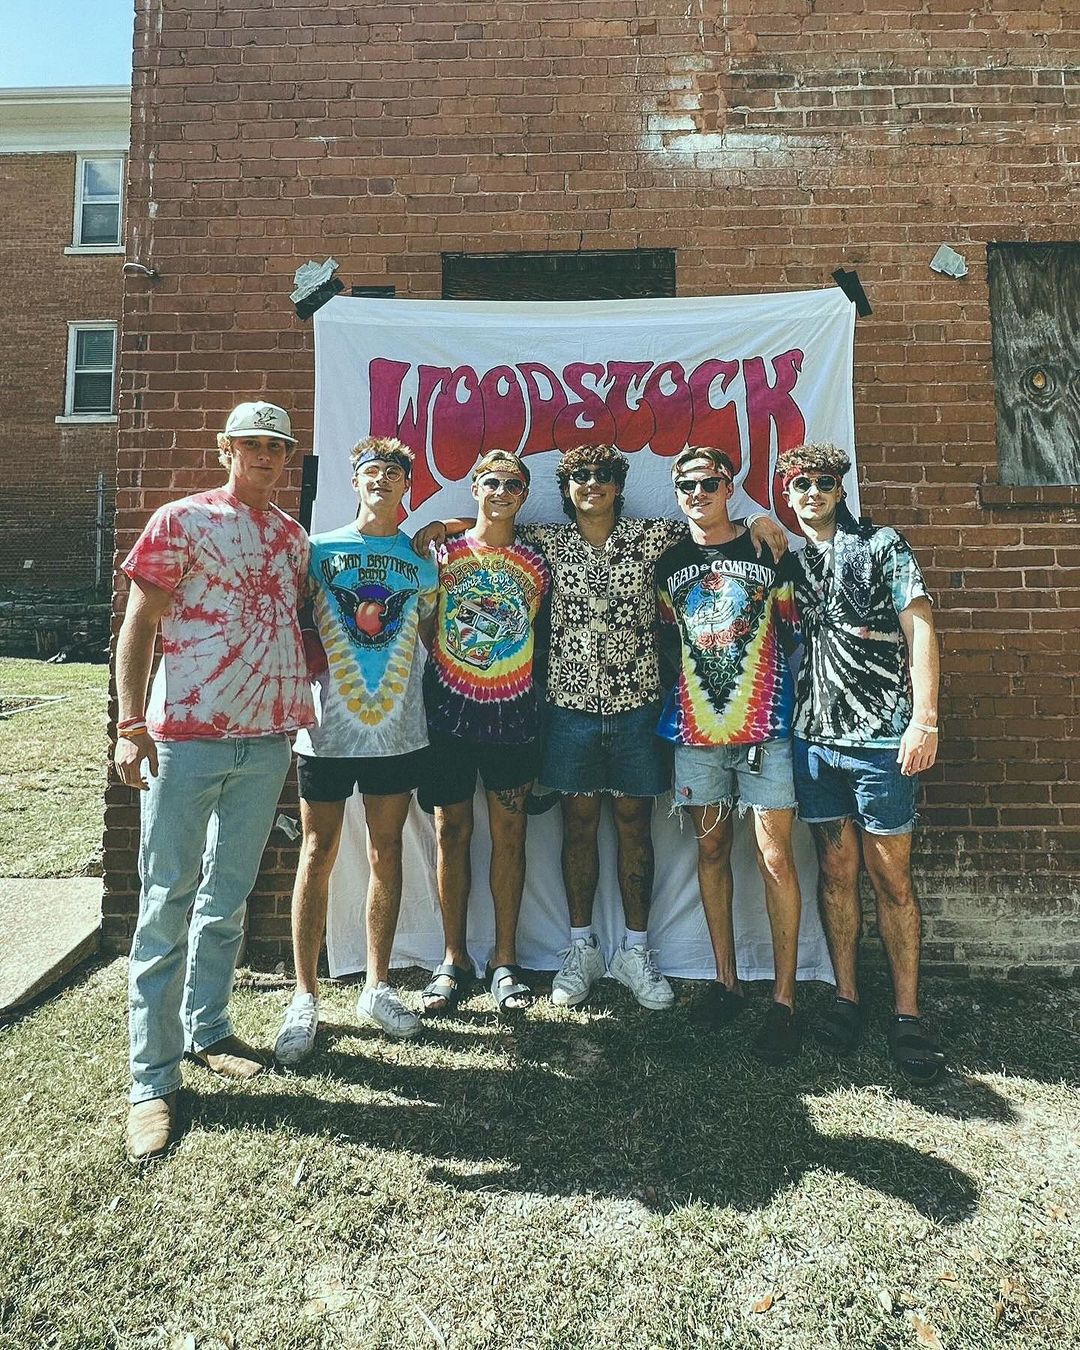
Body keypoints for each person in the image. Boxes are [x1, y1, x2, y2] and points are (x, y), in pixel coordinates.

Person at [418, 444, 786, 1013]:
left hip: (638, 706)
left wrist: (759, 519)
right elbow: (492, 525)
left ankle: (637, 951)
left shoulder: (654, 537)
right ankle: (581, 947)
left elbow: (712, 528)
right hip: (568, 708)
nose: (592, 483)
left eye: (604, 475)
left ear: (618, 485)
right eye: (581, 476)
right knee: (578, 825)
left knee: (635, 824)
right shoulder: (544, 542)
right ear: (566, 490)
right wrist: (445, 526)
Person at [115, 401, 314, 1162]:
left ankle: (210, 1029)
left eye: (277, 447)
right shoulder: (181, 521)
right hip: (184, 741)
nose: (265, 456)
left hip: (265, 742)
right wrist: (129, 725)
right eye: (251, 444)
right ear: (226, 448)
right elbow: (140, 623)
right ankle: (151, 1081)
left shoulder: (293, 540)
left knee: (226, 896)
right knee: (166, 900)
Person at [778, 443, 945, 1083]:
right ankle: (847, 997)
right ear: (787, 494)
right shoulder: (791, 561)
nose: (812, 492)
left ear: (840, 489)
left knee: (892, 877)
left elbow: (920, 625)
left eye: (823, 482)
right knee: (834, 871)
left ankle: (907, 1013)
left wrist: (923, 719)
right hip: (814, 741)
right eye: (800, 484)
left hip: (881, 739)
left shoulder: (881, 545)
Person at [274, 438, 439, 1063]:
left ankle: (377, 985)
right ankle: (304, 996)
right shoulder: (317, 551)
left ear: (407, 486)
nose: (382, 481)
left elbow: (429, 633)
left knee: (385, 851)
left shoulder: (422, 561)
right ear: (355, 482)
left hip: (396, 731)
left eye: (394, 473)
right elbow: (285, 619)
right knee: (317, 852)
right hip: (327, 732)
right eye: (371, 471)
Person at [655, 446, 804, 1064]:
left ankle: (784, 1000)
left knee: (775, 857)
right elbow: (668, 640)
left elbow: (796, 631)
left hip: (766, 727)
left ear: (729, 486)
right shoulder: (669, 563)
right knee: (711, 850)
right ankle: (726, 983)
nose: (697, 494)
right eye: (686, 485)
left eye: (708, 483)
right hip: (698, 733)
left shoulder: (768, 548)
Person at [418, 451, 550, 1017]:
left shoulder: (540, 560)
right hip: (447, 711)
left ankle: (505, 959)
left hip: (515, 713)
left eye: (512, 484)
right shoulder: (442, 553)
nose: (500, 491)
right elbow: (423, 622)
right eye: (490, 482)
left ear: (524, 495)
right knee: (450, 832)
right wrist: (444, 526)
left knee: (511, 833)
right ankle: (453, 958)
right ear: (474, 488)